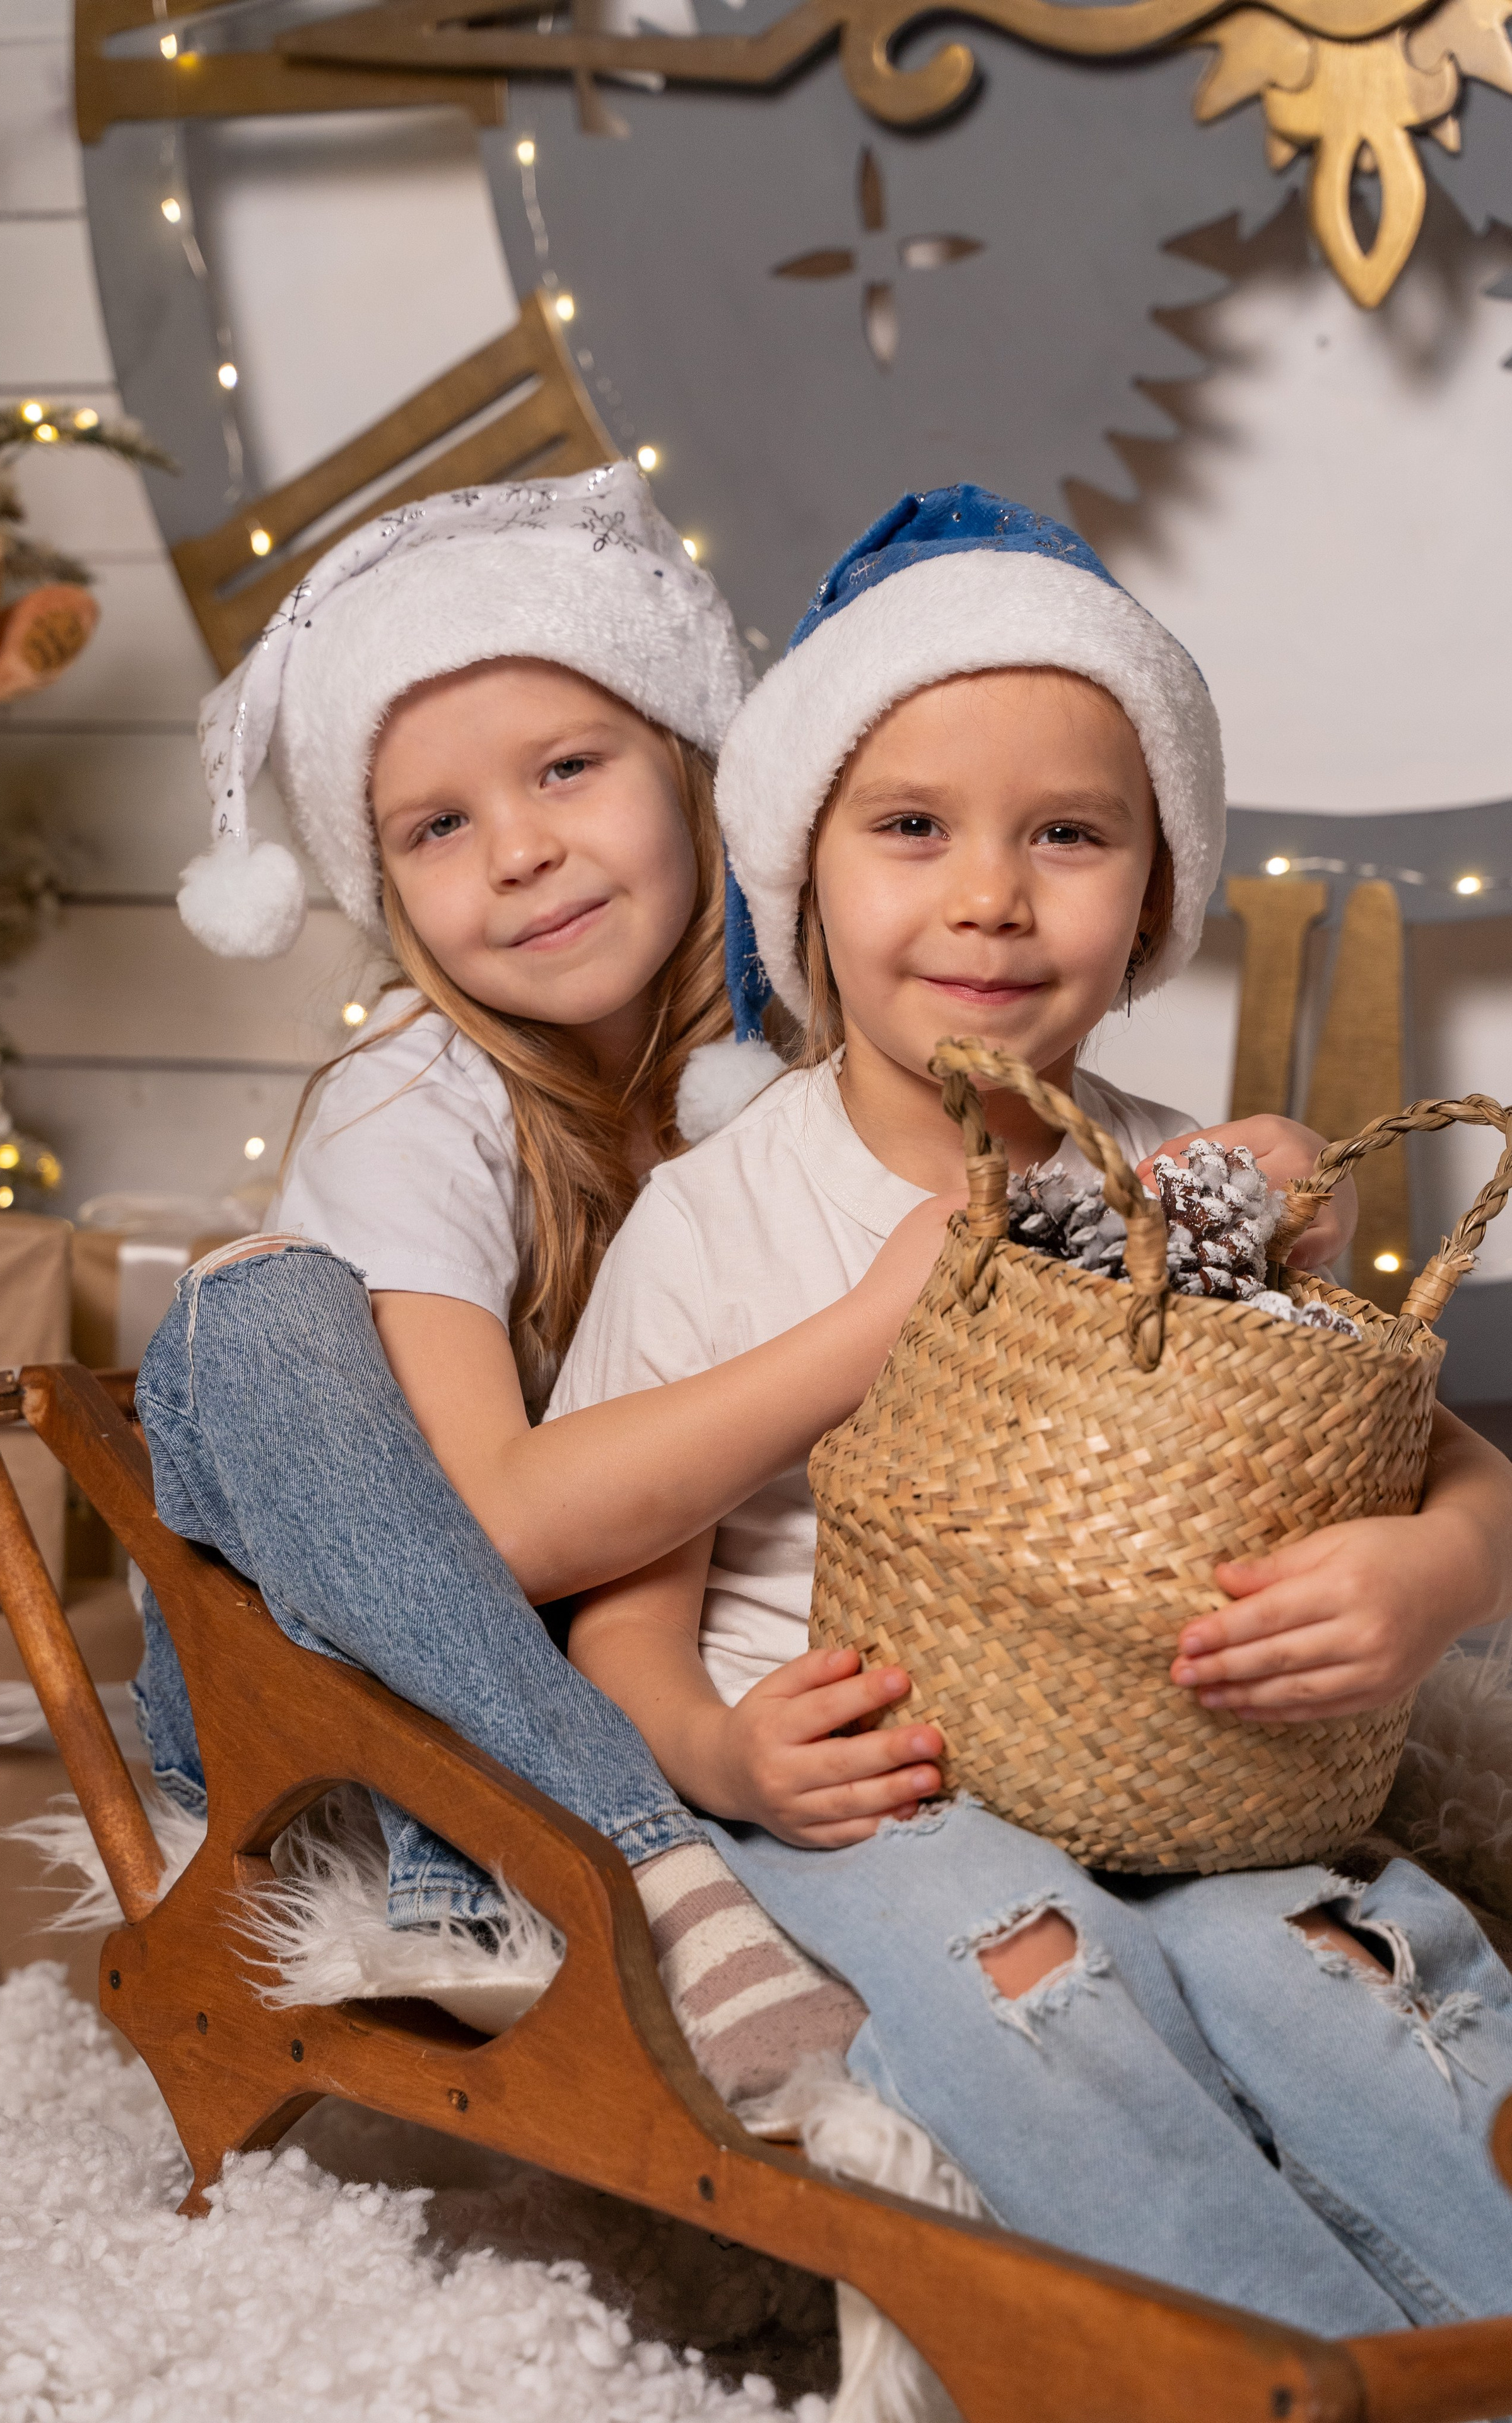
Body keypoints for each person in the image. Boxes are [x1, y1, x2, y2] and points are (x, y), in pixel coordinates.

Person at [557, 483, 1512, 2330]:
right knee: (1040, 1985)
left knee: (1347, 1969)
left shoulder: (1184, 1191)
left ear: (1152, 895)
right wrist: (717, 1751)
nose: (990, 894)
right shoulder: (727, 1212)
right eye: (912, 828)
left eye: (1067, 835)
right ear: (804, 880)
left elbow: (1444, 1457)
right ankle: (1250, 2371)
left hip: (1190, 1776)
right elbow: (623, 1599)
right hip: (878, 1789)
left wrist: (1436, 1578)